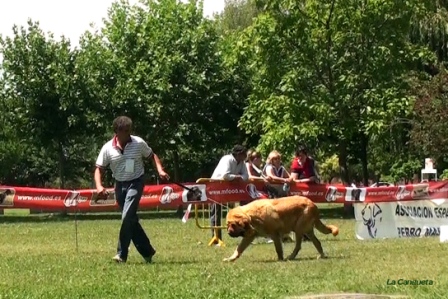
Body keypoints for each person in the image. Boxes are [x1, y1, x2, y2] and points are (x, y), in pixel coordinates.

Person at [94, 116, 170, 263]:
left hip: (136, 182)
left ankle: (121, 254)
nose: (129, 133)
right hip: (119, 185)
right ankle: (147, 252)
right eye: (126, 131)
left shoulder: (138, 143)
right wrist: (99, 186)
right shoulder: (107, 148)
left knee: (126, 216)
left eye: (130, 130)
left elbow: (152, 156)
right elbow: (99, 169)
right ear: (117, 131)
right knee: (131, 219)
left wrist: (160, 170)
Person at [210, 145, 249, 244]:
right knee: (215, 212)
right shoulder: (227, 159)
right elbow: (225, 175)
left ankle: (244, 234)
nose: (246, 156)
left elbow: (246, 176)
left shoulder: (242, 162)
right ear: (238, 154)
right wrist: (237, 177)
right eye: (244, 153)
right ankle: (216, 238)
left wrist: (238, 178)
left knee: (243, 209)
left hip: (229, 188)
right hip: (216, 187)